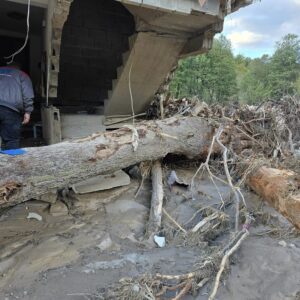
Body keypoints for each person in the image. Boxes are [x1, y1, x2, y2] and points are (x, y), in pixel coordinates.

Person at [0, 62, 34, 150]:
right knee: (11, 141)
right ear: (18, 67)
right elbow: (28, 95)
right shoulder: (22, 75)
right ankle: (10, 161)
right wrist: (28, 112)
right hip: (11, 110)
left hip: (9, 109)